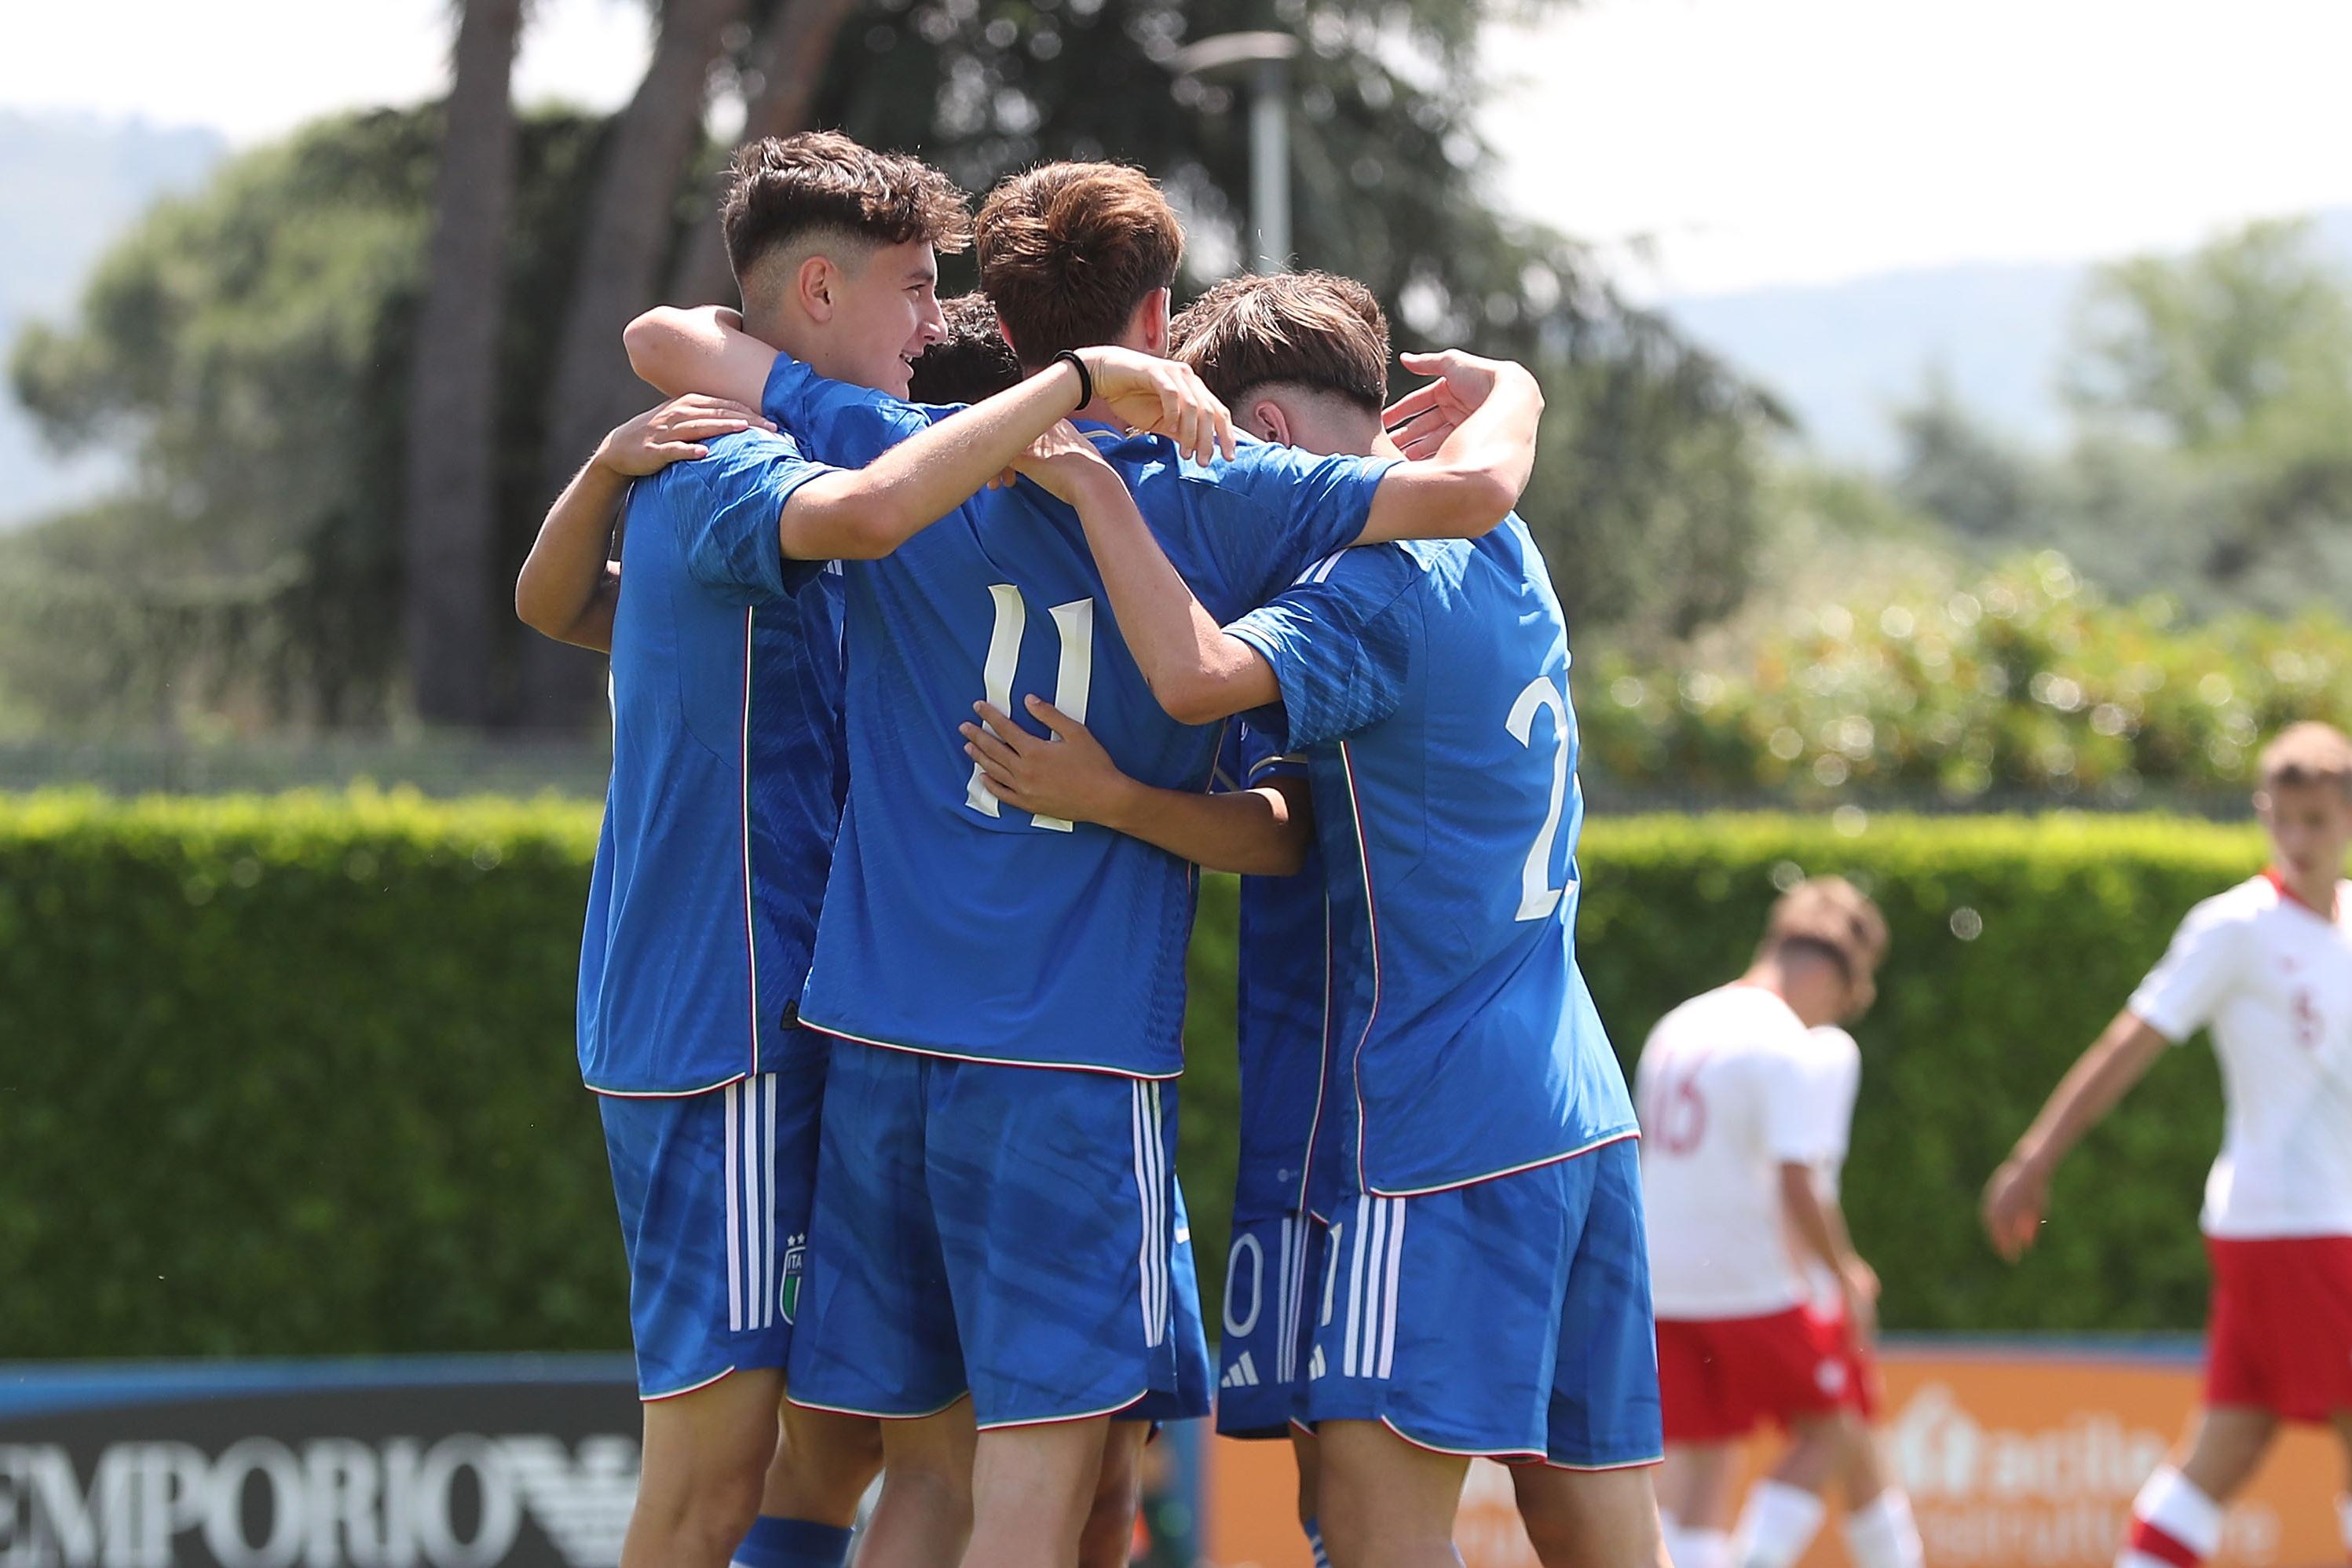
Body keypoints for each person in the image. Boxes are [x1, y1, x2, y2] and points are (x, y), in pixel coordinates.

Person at [624, 164, 1543, 1568]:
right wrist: (1514, 384)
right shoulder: (1228, 496)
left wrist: (1052, 394)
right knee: (1041, 1499)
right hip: (1066, 1062)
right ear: (1161, 321)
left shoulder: (900, 454)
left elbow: (677, 337)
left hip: (873, 1040)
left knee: (923, 1484)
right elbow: (1472, 496)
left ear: (990, 307)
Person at [510, 132, 1230, 1568]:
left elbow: (574, 610)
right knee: (712, 1481)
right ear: (823, 291)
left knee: (836, 1447)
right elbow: (865, 504)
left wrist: (597, 475)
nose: (931, 322)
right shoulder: (741, 467)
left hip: (813, 1010)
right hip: (724, 1019)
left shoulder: (757, 455)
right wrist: (1078, 387)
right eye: (912, 290)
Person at [951, 265, 1666, 1568]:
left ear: (1263, 440)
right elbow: (1292, 832)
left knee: (1371, 1530)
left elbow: (1195, 678)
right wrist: (1515, 387)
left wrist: (1103, 487)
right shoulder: (1502, 546)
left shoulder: (1371, 589)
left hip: (1431, 1124)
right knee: (1593, 1529)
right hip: (1576, 1108)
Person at [1983, 722, 2352, 1568]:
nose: (2296, 840)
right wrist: (2035, 1155)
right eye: (2282, 818)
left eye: (2316, 821)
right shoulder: (2234, 927)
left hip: (2294, 1225)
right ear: (2262, 811)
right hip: (2293, 1224)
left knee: (2227, 1446)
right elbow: (2128, 1042)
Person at [1634, 878, 1911, 1568]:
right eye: (1843, 998)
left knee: (1700, 1461)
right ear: (1824, 969)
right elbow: (1797, 1179)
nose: (1834, 1016)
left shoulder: (1677, 1023)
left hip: (1662, 1284)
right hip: (1748, 1281)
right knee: (1834, 1429)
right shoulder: (1782, 1040)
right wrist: (1844, 1272)